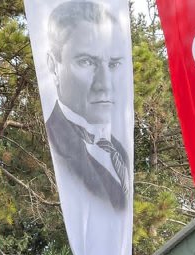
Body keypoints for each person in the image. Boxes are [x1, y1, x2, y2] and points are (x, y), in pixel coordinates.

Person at [44, 0, 131, 214]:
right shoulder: (53, 146)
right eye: (86, 62)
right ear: (54, 66)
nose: (105, 85)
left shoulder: (119, 151)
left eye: (113, 64)